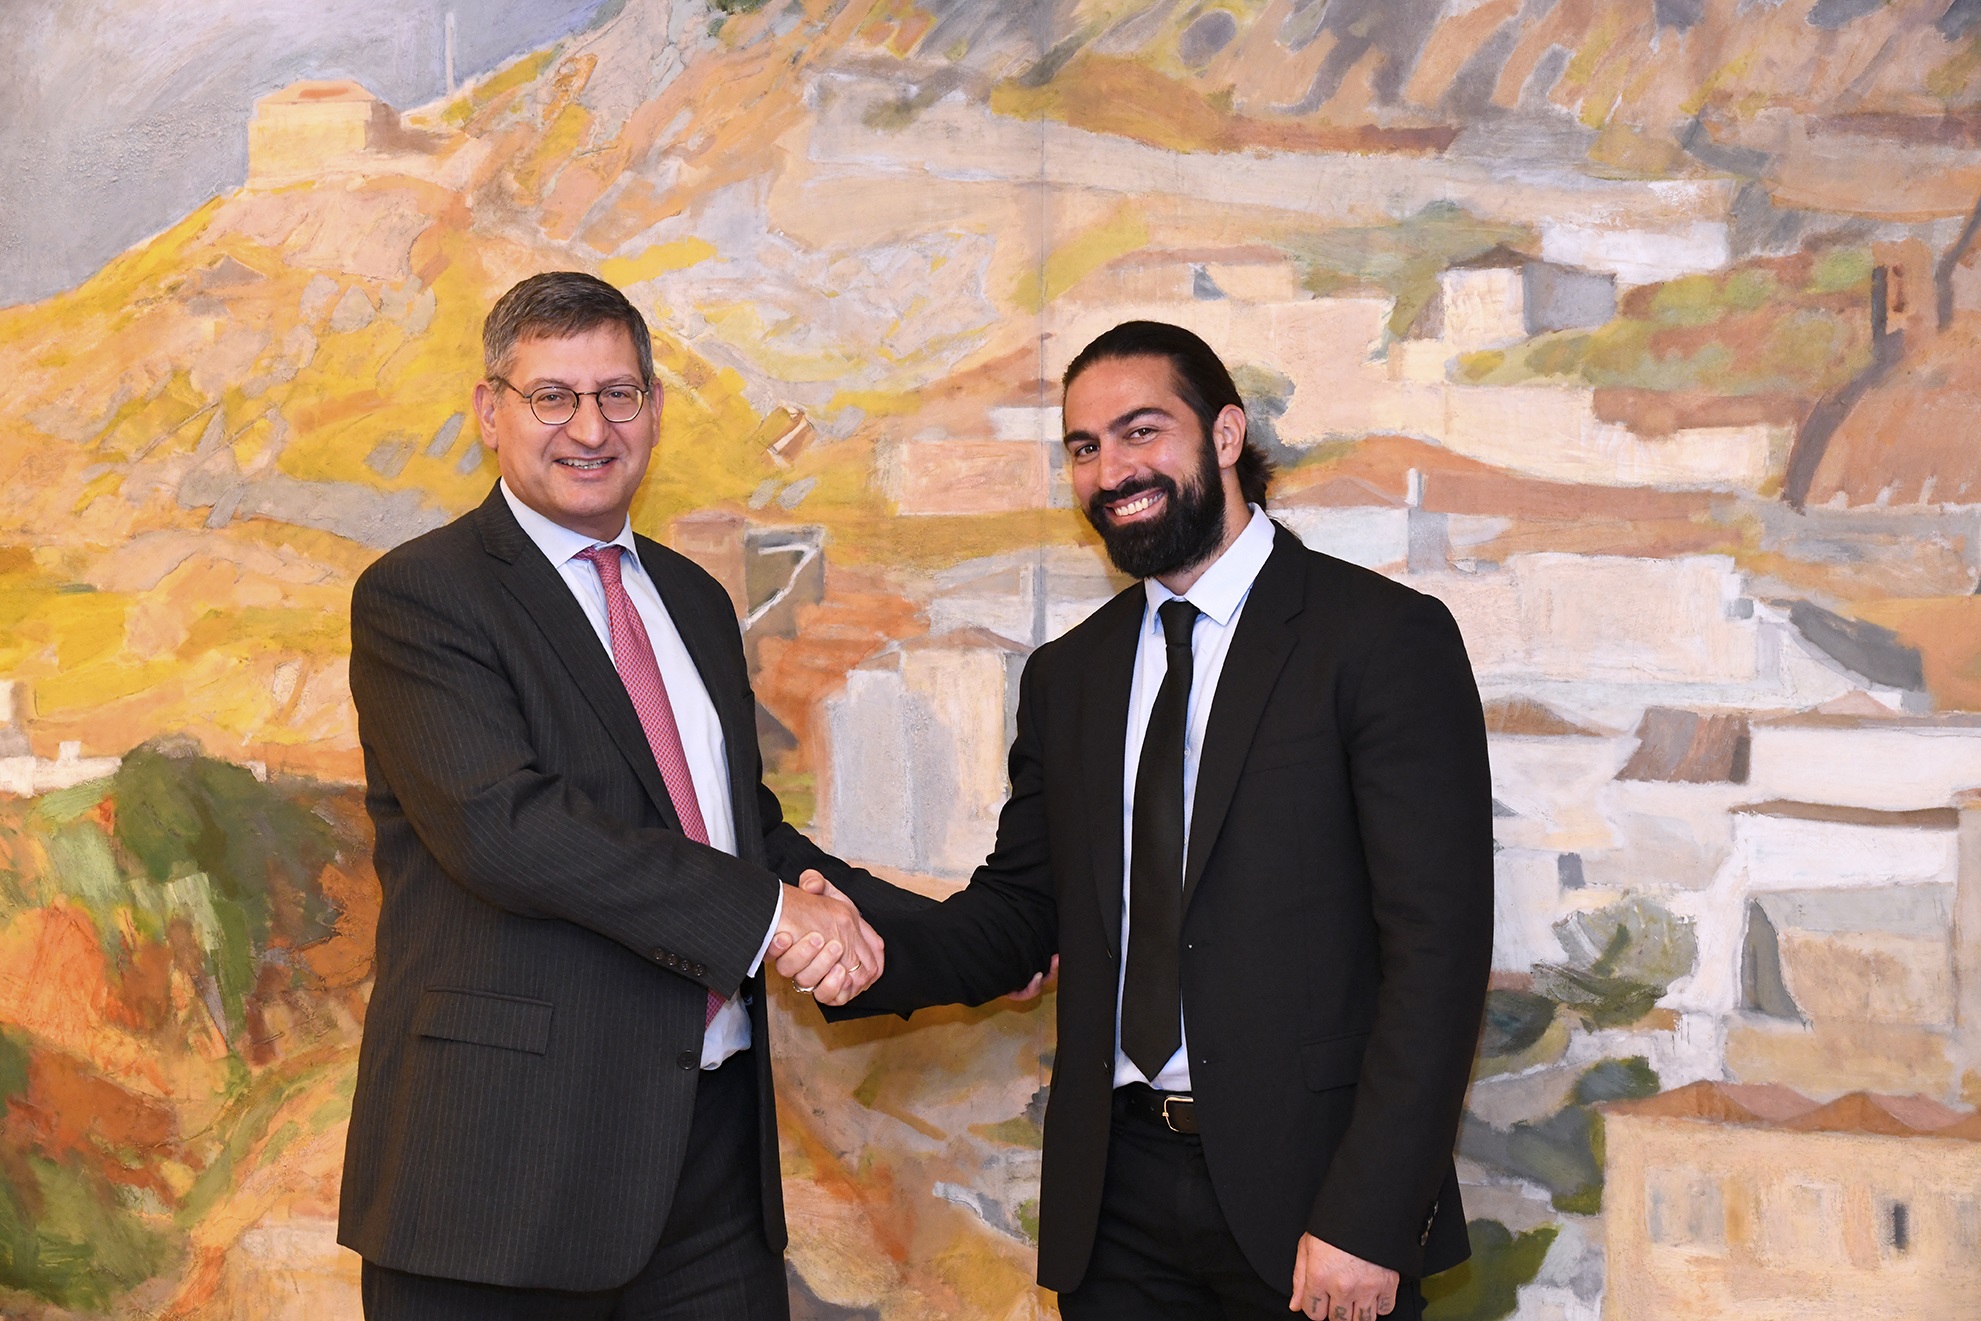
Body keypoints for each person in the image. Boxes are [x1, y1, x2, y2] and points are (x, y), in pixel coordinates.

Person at [788, 321, 1494, 1321]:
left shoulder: (1379, 638)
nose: (1111, 469)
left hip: (1315, 1199)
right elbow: (1021, 914)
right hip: (1113, 1203)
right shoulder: (1069, 676)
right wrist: (852, 937)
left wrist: (1370, 1217)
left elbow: (1438, 952)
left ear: (1224, 434)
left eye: (1140, 431)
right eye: (1084, 446)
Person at [338, 271, 888, 1320]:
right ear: (489, 410)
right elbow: (505, 829)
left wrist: (950, 938)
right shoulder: (422, 596)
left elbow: (736, 831)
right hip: (502, 1180)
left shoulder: (692, 598)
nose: (590, 429)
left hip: (711, 1176)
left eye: (617, 394)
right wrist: (777, 919)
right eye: (553, 396)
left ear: (654, 408)